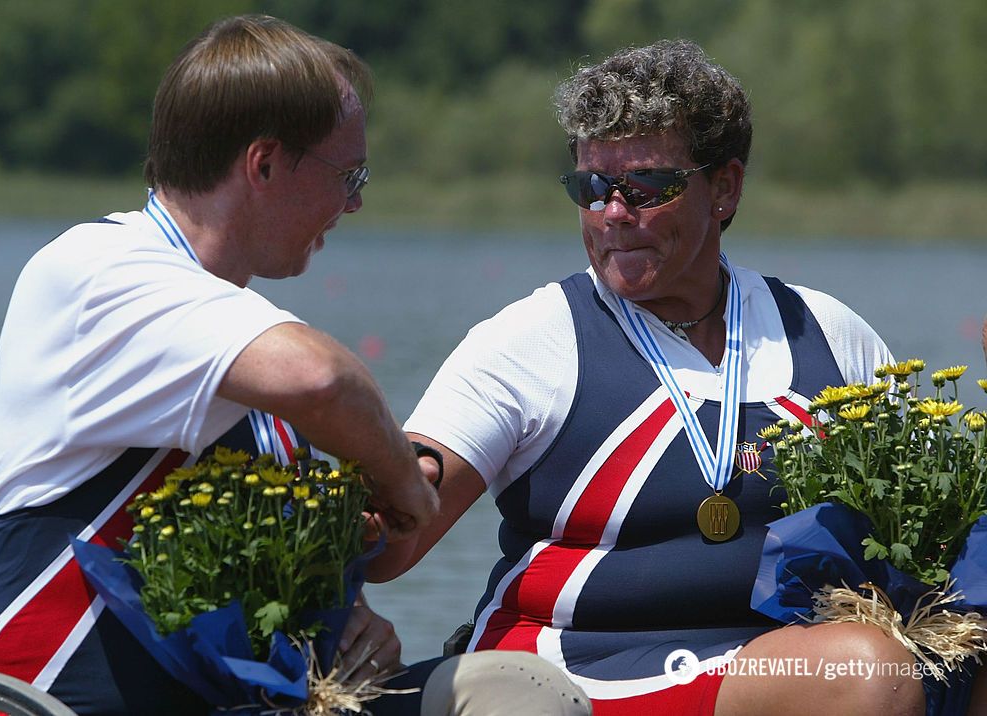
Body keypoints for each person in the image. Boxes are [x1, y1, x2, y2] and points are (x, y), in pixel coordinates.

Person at [0, 15, 590, 716]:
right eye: (348, 174)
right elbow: (325, 380)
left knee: (519, 693)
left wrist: (341, 628)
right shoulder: (95, 273)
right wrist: (405, 489)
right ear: (263, 164)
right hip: (49, 700)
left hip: (240, 703)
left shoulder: (234, 354)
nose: (355, 202)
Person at [373, 40, 986, 715]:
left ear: (724, 187)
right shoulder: (529, 342)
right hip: (568, 671)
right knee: (867, 669)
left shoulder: (827, 333)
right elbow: (391, 539)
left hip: (771, 665)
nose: (613, 212)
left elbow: (930, 533)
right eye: (591, 188)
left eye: (646, 187)